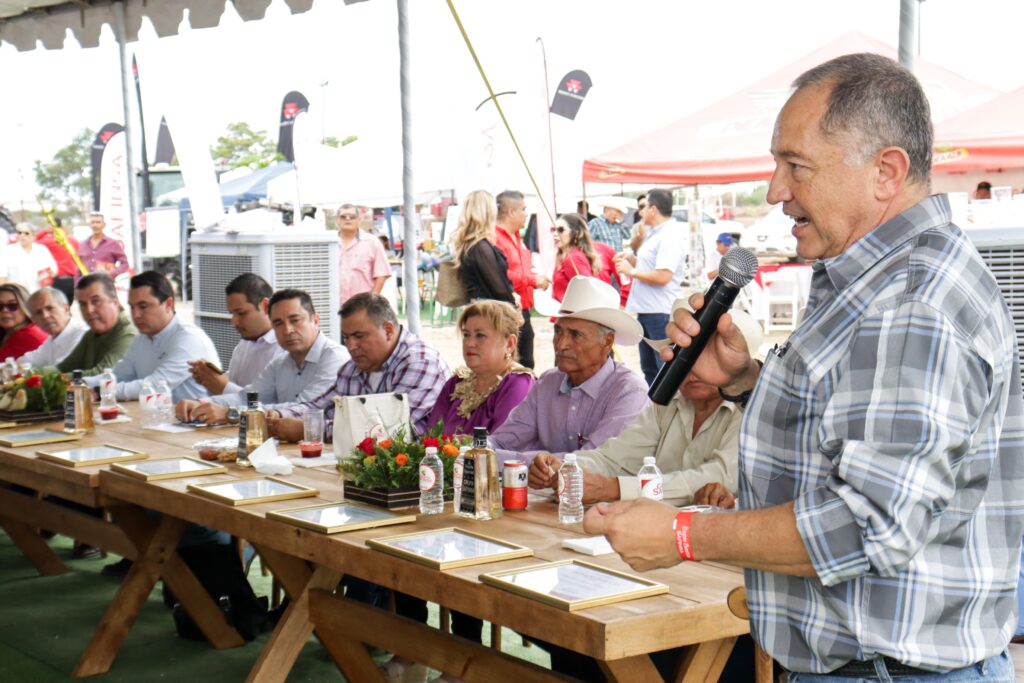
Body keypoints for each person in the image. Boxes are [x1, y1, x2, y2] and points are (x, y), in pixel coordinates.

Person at [586, 53, 1023, 681]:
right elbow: (859, 426)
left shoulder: (912, 301)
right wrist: (742, 379)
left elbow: (866, 523)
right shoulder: (879, 280)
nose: (774, 190)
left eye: (796, 166)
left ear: (885, 172)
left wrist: (684, 534)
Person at [529, 309, 761, 506]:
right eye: (684, 358)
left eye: (706, 358)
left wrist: (614, 488)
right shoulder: (668, 405)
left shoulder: (752, 411)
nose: (694, 369)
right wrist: (565, 466)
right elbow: (615, 457)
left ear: (734, 367)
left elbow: (721, 476)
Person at [489, 277, 649, 465]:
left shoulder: (629, 391)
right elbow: (504, 439)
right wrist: (473, 449)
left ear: (607, 341)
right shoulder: (548, 382)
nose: (561, 344)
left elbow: (593, 461)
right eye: (558, 331)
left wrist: (501, 459)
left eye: (576, 335)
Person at [266, 292, 450, 441]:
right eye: (346, 337)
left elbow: (393, 430)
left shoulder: (420, 362)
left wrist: (309, 429)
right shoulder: (352, 368)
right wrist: (277, 415)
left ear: (388, 330)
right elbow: (322, 405)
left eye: (359, 336)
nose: (351, 346)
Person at [176, 289, 349, 423]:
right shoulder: (281, 362)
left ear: (316, 320)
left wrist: (230, 414)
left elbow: (303, 409)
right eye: (278, 323)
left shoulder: (335, 358)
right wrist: (200, 404)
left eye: (295, 320)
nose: (287, 330)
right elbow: (245, 397)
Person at [88, 271, 218, 402]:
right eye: (132, 307)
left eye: (143, 306)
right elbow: (119, 375)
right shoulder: (142, 338)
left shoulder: (189, 339)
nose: (136, 314)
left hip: (194, 419)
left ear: (168, 304)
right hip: (157, 417)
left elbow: (155, 385)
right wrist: (81, 384)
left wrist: (100, 391)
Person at [425, 300, 534, 435]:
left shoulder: (518, 383)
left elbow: (501, 445)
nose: (470, 343)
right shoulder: (457, 382)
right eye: (466, 335)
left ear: (509, 344)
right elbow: (430, 437)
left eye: (480, 335)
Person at [615, 188, 688, 385]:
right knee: (650, 370)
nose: (640, 212)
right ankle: (656, 411)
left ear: (653, 209)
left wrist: (632, 272)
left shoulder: (669, 236)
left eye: (643, 206)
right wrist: (633, 259)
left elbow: (664, 276)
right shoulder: (656, 233)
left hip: (660, 312)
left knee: (664, 371)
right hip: (649, 311)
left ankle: (667, 412)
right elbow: (654, 266)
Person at [187, 273, 282, 397]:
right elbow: (233, 386)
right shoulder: (245, 343)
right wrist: (210, 380)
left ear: (265, 306)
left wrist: (223, 387)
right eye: (232, 314)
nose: (234, 321)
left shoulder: (284, 348)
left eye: (241, 313)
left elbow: (273, 406)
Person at [494, 190, 550, 369]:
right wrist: (532, 280)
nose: (526, 214)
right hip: (507, 309)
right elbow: (501, 275)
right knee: (513, 364)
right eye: (523, 209)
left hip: (522, 309)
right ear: (511, 212)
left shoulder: (517, 237)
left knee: (525, 362)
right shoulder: (495, 238)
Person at [58, 273, 136, 376]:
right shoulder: (91, 334)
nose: (89, 310)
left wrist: (56, 379)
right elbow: (62, 368)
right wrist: (35, 375)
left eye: (95, 301)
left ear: (115, 302)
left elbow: (104, 375)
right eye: (83, 304)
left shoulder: (129, 333)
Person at [451, 189, 516, 305]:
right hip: (489, 310)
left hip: (482, 307)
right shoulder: (480, 247)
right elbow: (498, 287)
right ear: (487, 212)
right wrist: (513, 304)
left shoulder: (473, 245)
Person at [18, 287, 87, 367]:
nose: (45, 316)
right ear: (34, 320)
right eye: (38, 312)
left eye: (50, 308)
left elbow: (61, 368)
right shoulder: (53, 338)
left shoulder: (82, 334)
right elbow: (28, 360)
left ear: (66, 309)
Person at [336, 204, 391, 305]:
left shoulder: (372, 242)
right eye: (343, 217)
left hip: (362, 307)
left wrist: (371, 301)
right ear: (337, 220)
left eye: (352, 217)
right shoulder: (330, 244)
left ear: (359, 220)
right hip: (334, 305)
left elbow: (381, 275)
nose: (347, 219)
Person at [550, 213, 601, 303]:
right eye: (553, 230)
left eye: (560, 230)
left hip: (572, 314)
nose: (555, 234)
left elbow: (588, 291)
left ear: (576, 233)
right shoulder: (565, 256)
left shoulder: (572, 258)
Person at [0, 223, 57, 293]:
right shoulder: (8, 251)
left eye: (26, 233)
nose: (22, 235)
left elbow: (53, 270)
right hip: (18, 295)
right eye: (19, 233)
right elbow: (2, 277)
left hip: (39, 294)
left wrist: (49, 274)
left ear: (33, 236)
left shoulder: (42, 250)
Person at [34, 218, 80, 302]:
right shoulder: (73, 241)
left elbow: (33, 242)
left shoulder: (47, 242)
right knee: (67, 308)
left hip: (56, 280)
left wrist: (44, 231)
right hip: (72, 280)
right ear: (62, 226)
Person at [0, 284, 47, 359]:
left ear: (26, 308)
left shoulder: (25, 335)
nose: (5, 310)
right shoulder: (33, 327)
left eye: (12, 305)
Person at [78, 213, 129, 279]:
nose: (95, 225)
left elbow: (125, 264)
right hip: (85, 285)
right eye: (93, 222)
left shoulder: (113, 244)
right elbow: (77, 266)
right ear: (89, 225)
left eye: (98, 222)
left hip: (105, 284)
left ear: (104, 225)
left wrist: (111, 273)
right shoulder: (82, 244)